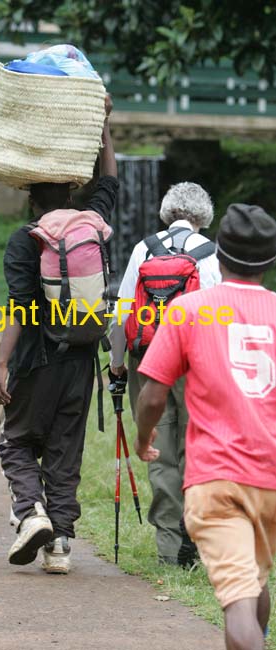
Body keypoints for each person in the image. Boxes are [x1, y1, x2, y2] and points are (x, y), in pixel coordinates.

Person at [134, 203, 276, 650]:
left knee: (237, 601)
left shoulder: (188, 309)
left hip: (217, 478)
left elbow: (154, 393)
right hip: (271, 477)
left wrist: (143, 439)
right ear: (270, 261)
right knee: (254, 579)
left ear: (219, 257)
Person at [0, 98, 118, 574]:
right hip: (82, 360)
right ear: (71, 191)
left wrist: (2, 364)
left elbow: (21, 306)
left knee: (16, 442)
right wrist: (104, 125)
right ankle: (60, 545)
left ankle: (31, 513)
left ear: (31, 198)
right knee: (65, 449)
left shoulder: (27, 238)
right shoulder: (94, 226)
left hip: (35, 360)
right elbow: (109, 182)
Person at [109, 182, 221, 565]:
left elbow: (124, 310)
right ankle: (199, 543)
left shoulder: (144, 248)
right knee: (198, 450)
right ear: (203, 217)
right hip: (197, 365)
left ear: (167, 212)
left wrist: (118, 362)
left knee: (159, 450)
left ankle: (169, 550)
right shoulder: (211, 255)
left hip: (149, 361)